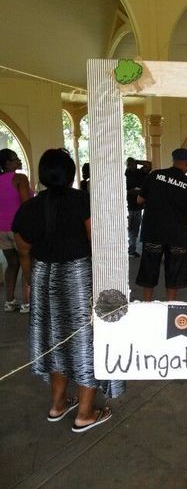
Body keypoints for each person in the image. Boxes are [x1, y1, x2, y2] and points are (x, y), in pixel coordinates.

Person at [12, 149, 124, 432]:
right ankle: (84, 413)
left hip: (43, 278)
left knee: (55, 340)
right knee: (86, 342)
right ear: (71, 173)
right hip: (78, 277)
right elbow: (96, 241)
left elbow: (22, 247)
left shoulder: (30, 207)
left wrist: (28, 280)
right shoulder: (83, 201)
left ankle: (58, 404)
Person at [136, 148, 187, 302]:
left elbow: (139, 200)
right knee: (174, 273)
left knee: (149, 270)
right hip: (176, 236)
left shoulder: (154, 176)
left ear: (173, 160)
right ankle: (170, 307)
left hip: (153, 233)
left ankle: (147, 304)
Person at [0, 148, 32, 313]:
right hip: (18, 227)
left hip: (1, 230)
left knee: (12, 264)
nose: (19, 160)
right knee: (26, 261)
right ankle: (28, 303)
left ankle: (10, 301)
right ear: (7, 163)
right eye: (15, 159)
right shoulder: (20, 178)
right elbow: (26, 204)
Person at [125, 157, 151, 257]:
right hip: (126, 206)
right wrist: (130, 192)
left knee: (134, 230)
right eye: (130, 164)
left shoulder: (140, 173)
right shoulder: (124, 175)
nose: (132, 166)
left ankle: (131, 250)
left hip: (137, 207)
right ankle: (124, 249)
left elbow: (149, 165)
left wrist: (138, 161)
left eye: (134, 164)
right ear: (127, 165)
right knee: (127, 229)